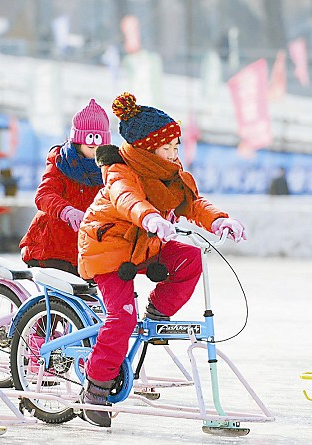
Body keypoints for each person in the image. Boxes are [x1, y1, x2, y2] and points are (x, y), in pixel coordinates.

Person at [77, 92, 247, 427]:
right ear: (145, 148)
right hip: (110, 248)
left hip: (146, 245)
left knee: (190, 258)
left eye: (175, 147)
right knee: (121, 318)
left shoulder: (170, 174)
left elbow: (194, 204)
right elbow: (127, 199)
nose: (173, 154)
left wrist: (219, 220)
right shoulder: (120, 170)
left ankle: (156, 315)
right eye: (166, 148)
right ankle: (94, 388)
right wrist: (150, 217)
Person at [19, 98, 111, 276]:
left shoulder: (108, 167)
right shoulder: (61, 161)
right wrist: (66, 211)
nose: (95, 152)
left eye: (99, 146)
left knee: (91, 300)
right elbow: (44, 194)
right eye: (90, 145)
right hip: (50, 246)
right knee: (59, 301)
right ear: (77, 142)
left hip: (85, 249)